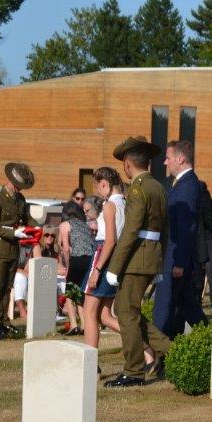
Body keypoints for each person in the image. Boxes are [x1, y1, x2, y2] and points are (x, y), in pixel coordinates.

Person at [103, 136, 172, 388]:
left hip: (136, 259)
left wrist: (114, 268)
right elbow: (165, 230)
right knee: (126, 310)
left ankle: (133, 370)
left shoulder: (137, 188)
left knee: (126, 313)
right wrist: (160, 263)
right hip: (150, 256)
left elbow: (130, 231)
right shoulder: (158, 187)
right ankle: (169, 350)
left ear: (128, 165)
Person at [153, 139, 207, 338]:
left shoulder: (187, 186)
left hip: (176, 258)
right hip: (174, 256)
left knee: (164, 307)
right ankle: (210, 339)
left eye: (168, 158)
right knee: (187, 306)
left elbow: (186, 227)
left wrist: (180, 262)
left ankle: (155, 354)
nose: (165, 163)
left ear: (181, 158)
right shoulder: (181, 184)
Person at [0, 162, 36, 339]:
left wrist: (38, 228)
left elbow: (27, 218)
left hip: (13, 249)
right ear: (12, 183)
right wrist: (13, 232)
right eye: (19, 187)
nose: (20, 190)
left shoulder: (20, 200)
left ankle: (5, 321)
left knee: (8, 287)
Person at [82, 167, 127, 356]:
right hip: (116, 259)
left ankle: (91, 362)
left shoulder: (109, 205)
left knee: (89, 311)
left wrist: (97, 269)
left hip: (103, 255)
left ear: (105, 184)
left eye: (97, 187)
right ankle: (145, 345)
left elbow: (110, 240)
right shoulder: (125, 203)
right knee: (105, 316)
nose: (97, 192)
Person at [58, 200, 94, 335]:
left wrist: (68, 266)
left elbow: (66, 249)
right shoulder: (85, 225)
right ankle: (84, 325)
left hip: (77, 259)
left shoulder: (65, 225)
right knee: (81, 294)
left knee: (71, 292)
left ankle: (74, 325)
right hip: (89, 260)